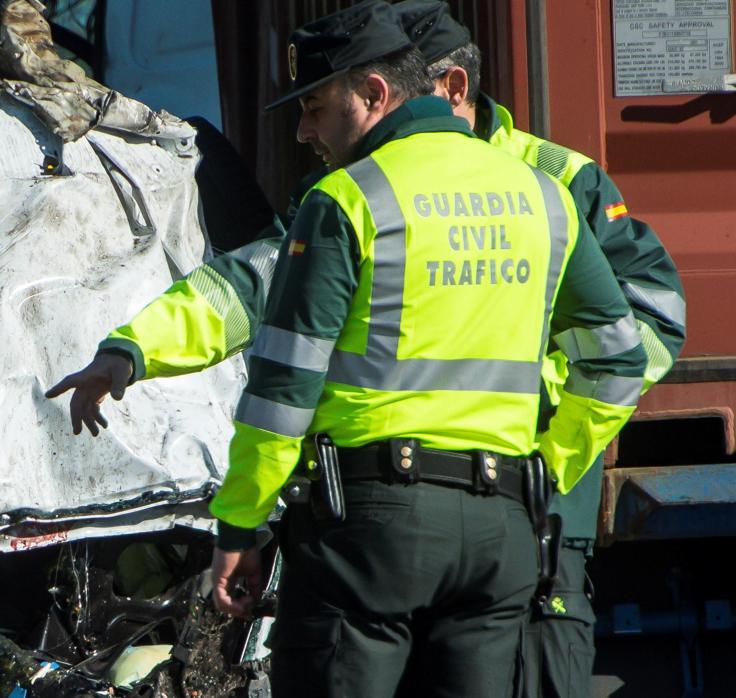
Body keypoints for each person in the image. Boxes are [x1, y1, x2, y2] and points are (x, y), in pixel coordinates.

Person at [47, 1, 647, 693]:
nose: (303, 132)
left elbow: (282, 390)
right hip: (500, 532)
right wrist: (549, 462)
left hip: (372, 534)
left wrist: (239, 526)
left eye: (315, 107)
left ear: (373, 94)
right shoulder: (543, 197)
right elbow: (619, 358)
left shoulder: (350, 200)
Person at [390, 3, 686, 695]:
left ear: (454, 89)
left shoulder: (560, 178)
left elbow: (652, 318)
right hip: (405, 510)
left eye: (397, 99)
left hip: (536, 499)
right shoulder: (369, 180)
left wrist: (550, 447)